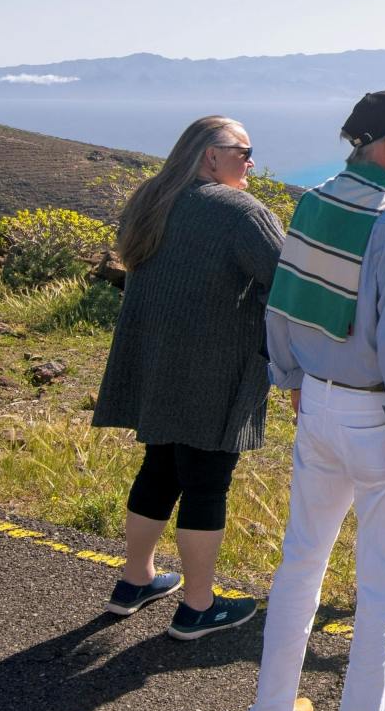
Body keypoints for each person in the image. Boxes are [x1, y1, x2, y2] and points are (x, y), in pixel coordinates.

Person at [246, 91, 385, 711]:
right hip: (377, 417)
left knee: (300, 563)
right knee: (384, 584)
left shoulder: (315, 200)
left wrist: (295, 379)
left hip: (318, 406)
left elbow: (285, 299)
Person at [91, 115, 283, 640]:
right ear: (209, 155)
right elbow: (289, 281)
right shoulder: (240, 211)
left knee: (160, 466)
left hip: (156, 362)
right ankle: (198, 606)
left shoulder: (151, 198)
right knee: (206, 480)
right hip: (212, 368)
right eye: (243, 151)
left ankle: (135, 580)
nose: (250, 162)